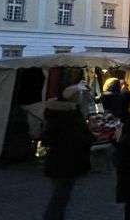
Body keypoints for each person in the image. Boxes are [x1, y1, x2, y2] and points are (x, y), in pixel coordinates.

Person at [40, 84, 93, 220]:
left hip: (59, 160)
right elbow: (74, 139)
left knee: (60, 198)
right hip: (66, 162)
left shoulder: (58, 114)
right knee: (59, 198)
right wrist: (89, 136)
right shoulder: (69, 116)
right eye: (79, 95)